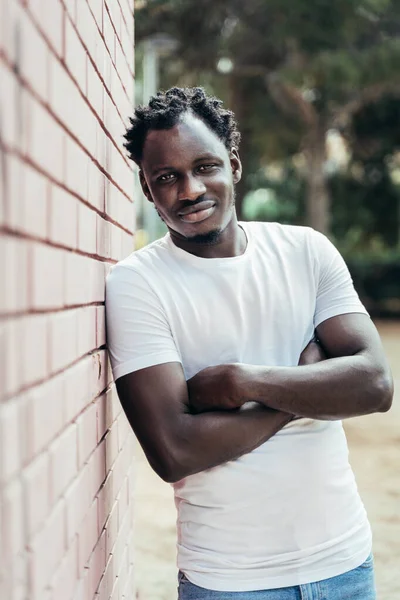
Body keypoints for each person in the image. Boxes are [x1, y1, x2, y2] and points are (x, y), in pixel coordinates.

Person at [105, 87, 393, 599]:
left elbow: (373, 385)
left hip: (346, 564)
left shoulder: (305, 251)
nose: (190, 189)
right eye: (167, 178)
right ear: (149, 192)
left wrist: (241, 381)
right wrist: (304, 390)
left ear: (233, 166)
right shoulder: (137, 284)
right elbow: (173, 449)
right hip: (230, 580)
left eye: (205, 166)